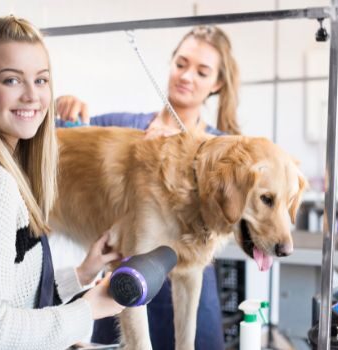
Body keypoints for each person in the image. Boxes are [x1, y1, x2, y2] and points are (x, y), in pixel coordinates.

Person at [0, 16, 124, 350]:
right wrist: (90, 309)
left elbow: (7, 300)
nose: (32, 96)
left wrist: (84, 274)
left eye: (41, 81)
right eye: (12, 80)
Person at [55, 25, 240, 349]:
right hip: (125, 284)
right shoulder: (126, 128)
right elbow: (63, 139)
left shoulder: (220, 152)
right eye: (181, 64)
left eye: (201, 71)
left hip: (191, 287)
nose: (186, 76)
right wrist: (67, 108)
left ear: (217, 83)